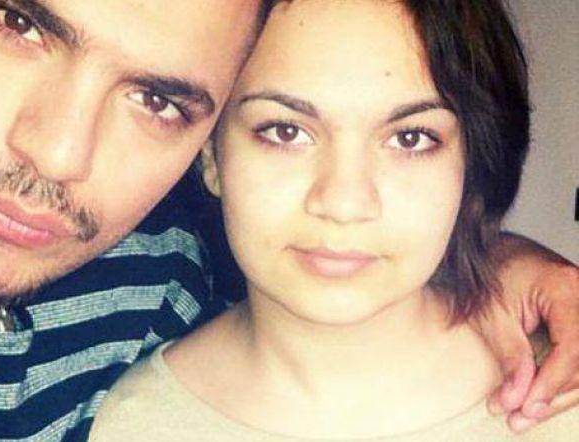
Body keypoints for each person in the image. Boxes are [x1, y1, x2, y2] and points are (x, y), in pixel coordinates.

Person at [0, 0, 576, 441]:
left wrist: (497, 260)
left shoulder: (158, 272)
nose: (59, 155)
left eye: (157, 98)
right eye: (19, 21)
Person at [89, 0, 579, 440]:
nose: (344, 203)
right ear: (211, 157)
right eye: (285, 131)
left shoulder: (566, 400)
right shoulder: (125, 423)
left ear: (469, 166)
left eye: (409, 138)